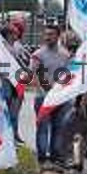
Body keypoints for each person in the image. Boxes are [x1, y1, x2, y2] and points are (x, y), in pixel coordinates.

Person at [30, 24, 70, 165]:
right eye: (46, 34)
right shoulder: (38, 55)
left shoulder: (65, 55)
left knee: (58, 128)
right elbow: (33, 76)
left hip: (60, 98)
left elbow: (68, 76)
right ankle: (42, 158)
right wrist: (44, 91)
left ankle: (55, 156)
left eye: (51, 34)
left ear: (58, 36)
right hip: (43, 98)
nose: (48, 37)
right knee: (43, 128)